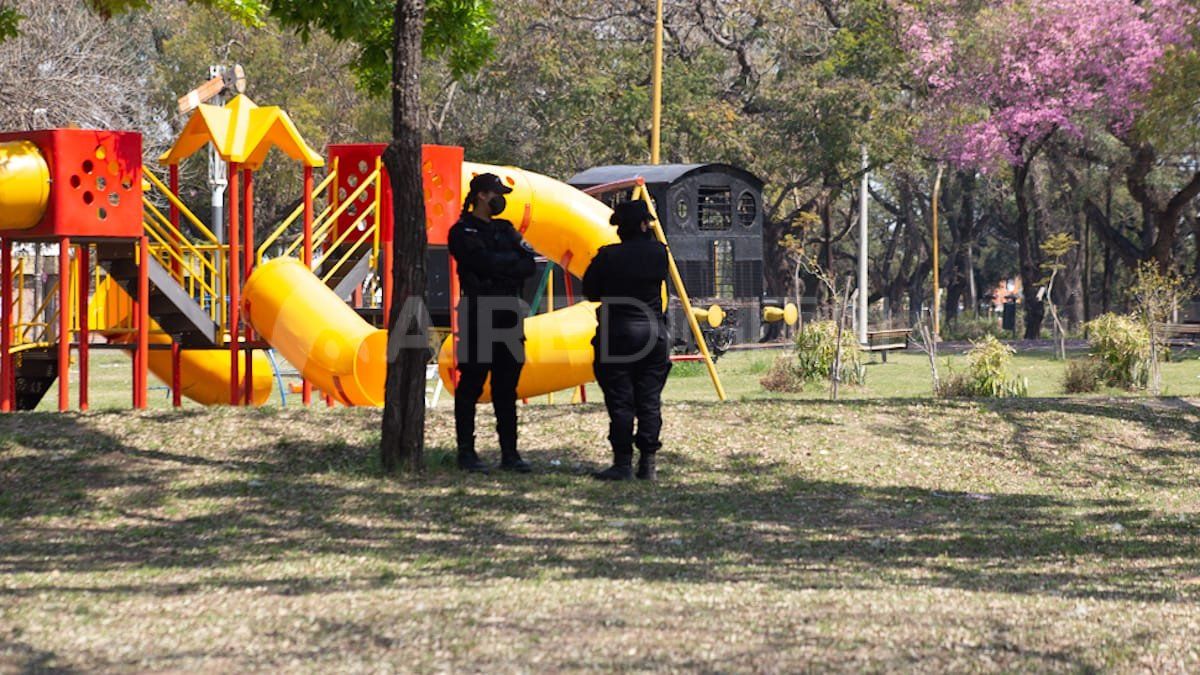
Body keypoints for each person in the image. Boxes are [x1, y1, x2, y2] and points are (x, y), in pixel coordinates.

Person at [448, 172, 537, 474]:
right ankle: (466, 453)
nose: (501, 200)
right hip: (478, 312)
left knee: (506, 386)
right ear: (482, 195)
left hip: (509, 313)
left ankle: (510, 454)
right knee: (471, 383)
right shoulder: (462, 230)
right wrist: (505, 265)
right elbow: (477, 263)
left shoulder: (506, 228)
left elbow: (528, 265)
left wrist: (498, 265)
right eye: (496, 194)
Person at [582, 200, 672, 481]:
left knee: (621, 400)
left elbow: (591, 292)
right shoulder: (659, 253)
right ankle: (648, 463)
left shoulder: (607, 256)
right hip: (653, 334)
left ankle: (622, 463)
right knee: (649, 400)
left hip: (617, 334)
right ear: (644, 225)